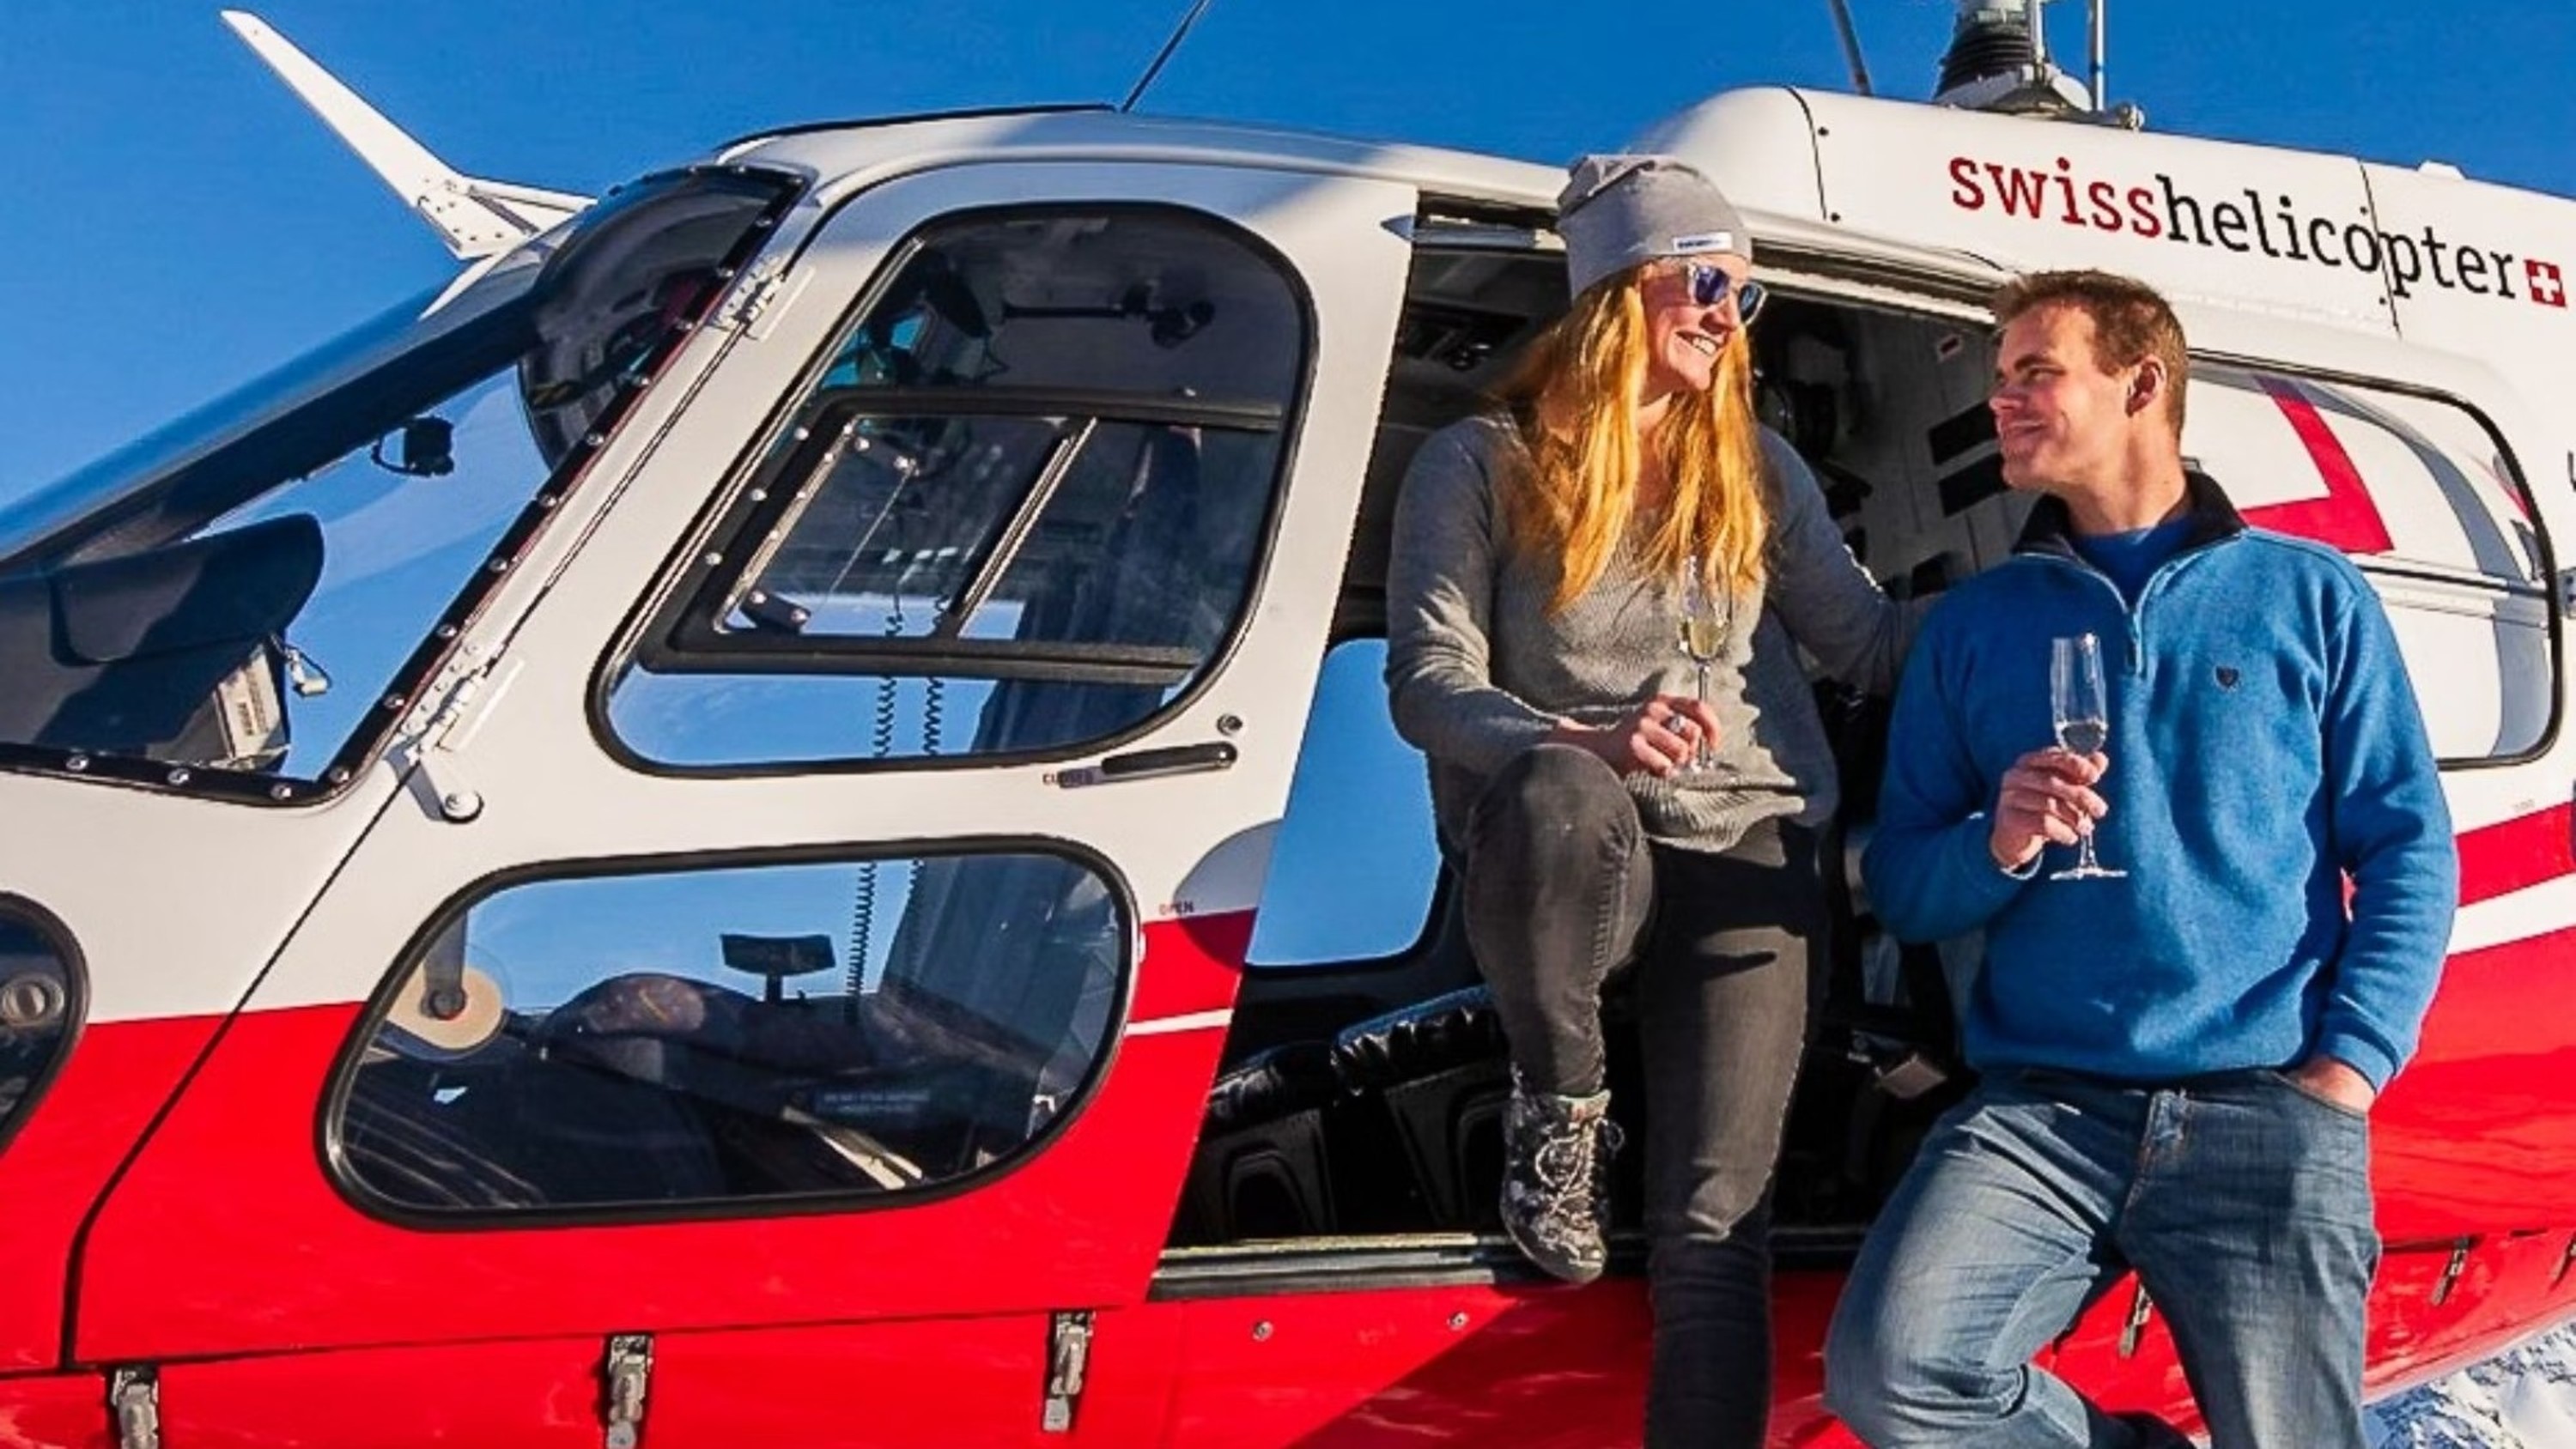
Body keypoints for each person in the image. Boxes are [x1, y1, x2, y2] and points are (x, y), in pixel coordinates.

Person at [1823, 270, 2458, 1449]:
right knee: (1894, 1373)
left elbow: (2409, 845)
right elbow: (1906, 886)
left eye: (2034, 373)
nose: (2002, 401)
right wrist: (1996, 844)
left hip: (2265, 1102)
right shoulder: (1974, 627)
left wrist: (2348, 1071)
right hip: (2042, 1112)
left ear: (2141, 384)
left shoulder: (2306, 594)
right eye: (2000, 376)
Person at [1384, 153, 1912, 1445]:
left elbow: (1871, 648)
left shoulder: (1759, 470)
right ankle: (1560, 1111)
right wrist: (1581, 736)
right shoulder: (1483, 463)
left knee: (1715, 1230)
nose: (1729, 314)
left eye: (1746, 292)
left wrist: (2061, 605)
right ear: (1621, 291)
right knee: (1558, 795)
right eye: (1707, 281)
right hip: (1581, 849)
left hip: (1750, 841)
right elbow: (1425, 680)